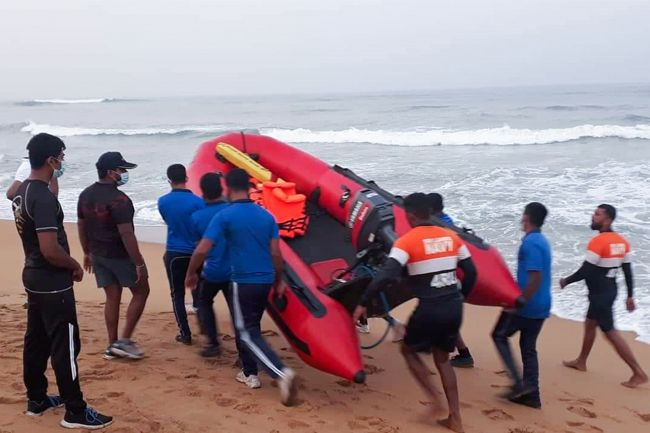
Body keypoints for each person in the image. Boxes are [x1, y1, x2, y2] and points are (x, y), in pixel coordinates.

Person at [354, 193, 477, 433]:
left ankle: (435, 402)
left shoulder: (406, 242)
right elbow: (471, 272)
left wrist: (364, 301)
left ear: (410, 215)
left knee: (408, 350)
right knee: (443, 359)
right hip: (453, 305)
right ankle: (455, 418)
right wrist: (461, 296)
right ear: (429, 213)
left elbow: (387, 275)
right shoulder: (451, 237)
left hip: (430, 307)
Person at [13, 133, 112, 429]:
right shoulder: (41, 197)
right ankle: (76, 411)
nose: (63, 162)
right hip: (52, 280)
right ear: (51, 160)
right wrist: (73, 265)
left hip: (33, 275)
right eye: (61, 157)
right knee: (65, 345)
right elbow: (50, 248)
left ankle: (38, 398)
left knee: (37, 339)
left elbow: (42, 209)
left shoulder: (23, 191)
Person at [186, 168, 299, 405]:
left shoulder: (225, 216)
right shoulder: (266, 215)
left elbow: (202, 249)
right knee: (251, 326)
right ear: (249, 187)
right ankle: (249, 373)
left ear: (228, 188)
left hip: (243, 281)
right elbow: (276, 253)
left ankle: (280, 373)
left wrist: (191, 274)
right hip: (266, 279)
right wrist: (278, 281)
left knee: (246, 332)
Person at [560, 204, 648, 388]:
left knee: (611, 333)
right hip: (609, 290)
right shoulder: (622, 242)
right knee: (590, 323)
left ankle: (638, 373)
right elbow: (627, 270)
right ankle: (581, 361)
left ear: (607, 220)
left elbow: (586, 270)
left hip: (600, 295)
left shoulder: (598, 242)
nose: (593, 216)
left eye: (597, 214)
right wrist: (630, 295)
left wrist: (566, 281)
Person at [77, 152, 150, 360]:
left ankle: (111, 345)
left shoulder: (85, 194)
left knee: (112, 297)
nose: (125, 173)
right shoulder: (120, 200)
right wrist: (139, 263)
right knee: (142, 291)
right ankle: (124, 341)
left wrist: (86, 252)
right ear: (111, 173)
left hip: (97, 254)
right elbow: (126, 233)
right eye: (122, 170)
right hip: (118, 254)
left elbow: (81, 226)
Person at [491, 202, 551, 409]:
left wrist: (520, 302)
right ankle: (532, 396)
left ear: (526, 217)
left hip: (528, 305)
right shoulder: (542, 240)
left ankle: (519, 384)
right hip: (542, 305)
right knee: (528, 348)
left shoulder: (531, 243)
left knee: (499, 335)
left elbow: (535, 276)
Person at [187, 172, 233, 358]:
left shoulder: (197, 217)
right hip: (235, 272)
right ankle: (244, 349)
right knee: (236, 309)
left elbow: (200, 248)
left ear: (203, 193)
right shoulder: (232, 210)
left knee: (204, 302)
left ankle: (213, 344)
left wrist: (191, 273)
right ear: (221, 189)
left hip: (213, 271)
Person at [158, 164, 205, 345]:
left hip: (174, 251)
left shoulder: (163, 201)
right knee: (198, 289)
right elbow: (200, 226)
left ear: (169, 180)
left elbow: (168, 221)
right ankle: (204, 326)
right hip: (195, 251)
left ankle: (185, 334)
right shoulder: (198, 201)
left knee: (177, 294)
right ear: (186, 178)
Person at [428, 193, 473, 368]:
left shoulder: (439, 227)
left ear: (431, 210)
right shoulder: (447, 222)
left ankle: (464, 354)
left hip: (442, 280)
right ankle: (460, 352)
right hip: (448, 278)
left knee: (443, 321)